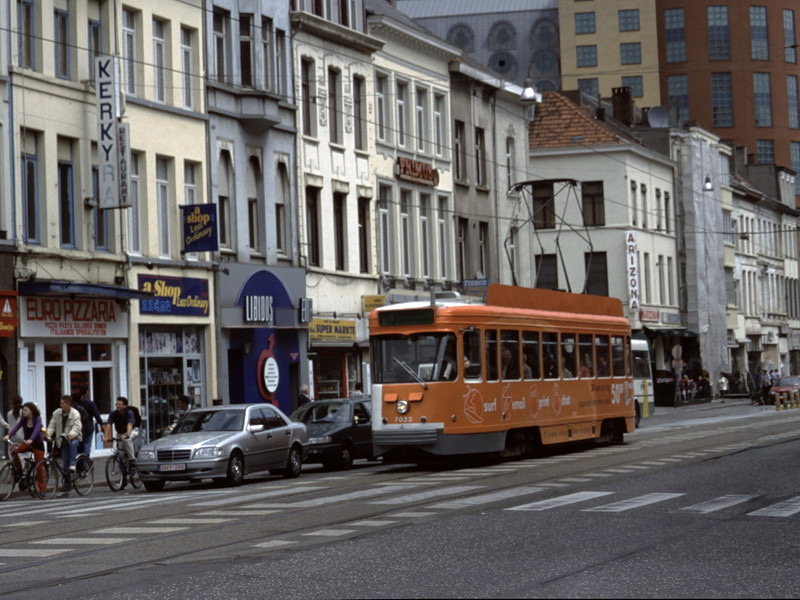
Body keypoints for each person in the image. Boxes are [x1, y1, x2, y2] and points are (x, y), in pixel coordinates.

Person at [3, 402, 47, 493]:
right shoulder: (24, 419)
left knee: (39, 467)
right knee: (14, 449)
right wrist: (8, 435)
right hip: (27, 444)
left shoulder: (37, 418)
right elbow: (16, 427)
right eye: (23, 410)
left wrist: (31, 439)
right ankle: (19, 471)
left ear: (31, 411)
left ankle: (42, 489)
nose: (23, 412)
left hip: (37, 444)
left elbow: (36, 430)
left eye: (26, 410)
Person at [45, 395, 83, 492]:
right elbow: (52, 425)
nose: (60, 404)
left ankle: (73, 464)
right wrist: (47, 434)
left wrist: (71, 435)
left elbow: (77, 427)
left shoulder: (75, 414)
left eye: (62, 403)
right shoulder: (57, 413)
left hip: (73, 437)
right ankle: (67, 484)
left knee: (73, 444)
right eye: (60, 403)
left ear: (68, 404)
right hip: (62, 440)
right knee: (65, 463)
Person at [74, 386, 103, 456]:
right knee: (86, 445)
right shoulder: (90, 403)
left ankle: (78, 462)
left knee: (78, 445)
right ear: (87, 392)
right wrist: (100, 423)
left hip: (77, 426)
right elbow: (96, 414)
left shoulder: (75, 403)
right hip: (88, 426)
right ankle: (85, 463)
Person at [108, 396, 137, 462]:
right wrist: (106, 436)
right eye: (117, 404)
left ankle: (132, 459)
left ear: (125, 406)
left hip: (132, 431)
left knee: (127, 440)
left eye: (119, 404)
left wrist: (127, 434)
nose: (117, 406)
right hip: (120, 433)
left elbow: (129, 424)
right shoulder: (113, 414)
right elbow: (108, 425)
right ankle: (122, 469)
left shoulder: (129, 413)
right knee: (119, 452)